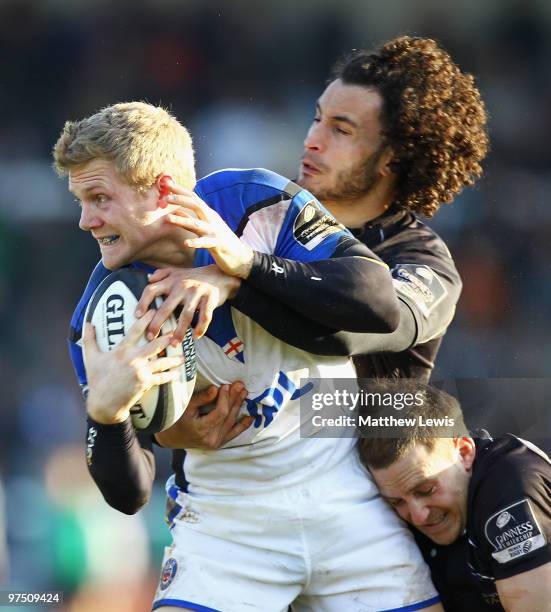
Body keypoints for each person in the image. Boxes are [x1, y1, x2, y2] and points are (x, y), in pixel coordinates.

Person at [55, 102, 442, 611]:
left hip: (349, 500)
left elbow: (378, 301)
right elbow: (129, 493)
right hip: (226, 526)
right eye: (81, 201)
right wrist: (106, 416)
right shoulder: (104, 316)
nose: (86, 221)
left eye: (100, 198)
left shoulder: (249, 202)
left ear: (163, 190)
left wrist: (244, 270)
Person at [359, 383, 551, 611]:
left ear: (464, 453)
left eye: (426, 490)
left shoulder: (510, 487)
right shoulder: (389, 515)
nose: (418, 517)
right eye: (397, 502)